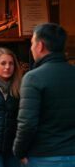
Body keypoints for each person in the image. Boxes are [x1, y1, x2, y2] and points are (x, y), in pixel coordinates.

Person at [13, 23, 75, 167]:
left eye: (32, 43)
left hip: (44, 156)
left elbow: (27, 124)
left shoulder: (33, 78)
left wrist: (19, 152)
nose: (32, 48)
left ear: (40, 46)